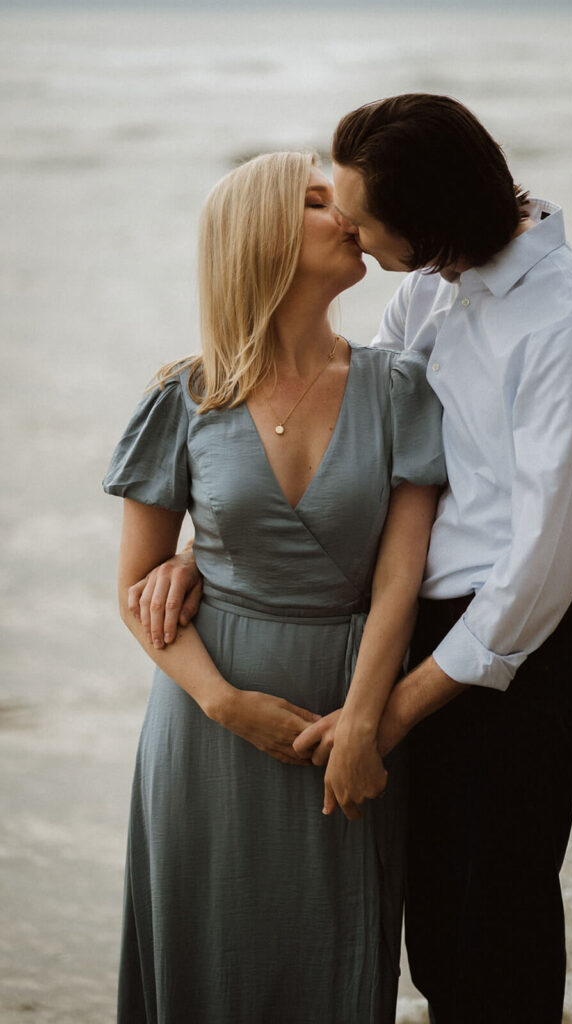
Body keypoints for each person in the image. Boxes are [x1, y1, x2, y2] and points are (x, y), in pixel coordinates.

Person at [146, 97, 572, 1024]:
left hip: (518, 669)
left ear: (433, 218)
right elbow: (344, 453)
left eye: (367, 220)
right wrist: (197, 548)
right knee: (432, 946)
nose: (356, 235)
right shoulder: (432, 291)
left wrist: (380, 717)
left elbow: (538, 572)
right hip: (422, 644)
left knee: (490, 955)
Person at [103, 150, 446, 1024]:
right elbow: (136, 585)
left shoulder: (398, 387)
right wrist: (222, 702)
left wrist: (366, 722)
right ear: (262, 233)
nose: (350, 213)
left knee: (332, 967)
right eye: (318, 200)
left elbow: (399, 581)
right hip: (202, 728)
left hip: (343, 723)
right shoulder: (185, 397)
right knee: (203, 966)